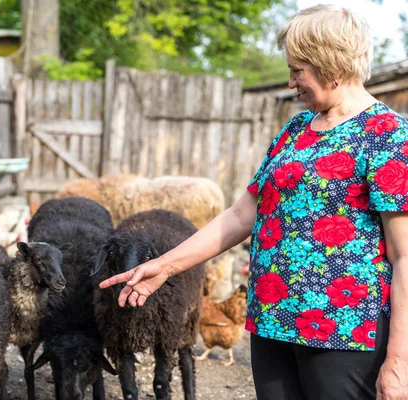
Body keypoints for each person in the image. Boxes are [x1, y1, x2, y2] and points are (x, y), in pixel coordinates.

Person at [99, 5, 408, 400]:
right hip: (271, 323)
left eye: (299, 70)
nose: (292, 81)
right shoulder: (295, 130)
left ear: (332, 63)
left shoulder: (388, 135)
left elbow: (404, 257)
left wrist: (398, 360)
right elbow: (242, 214)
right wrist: (164, 266)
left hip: (343, 335)